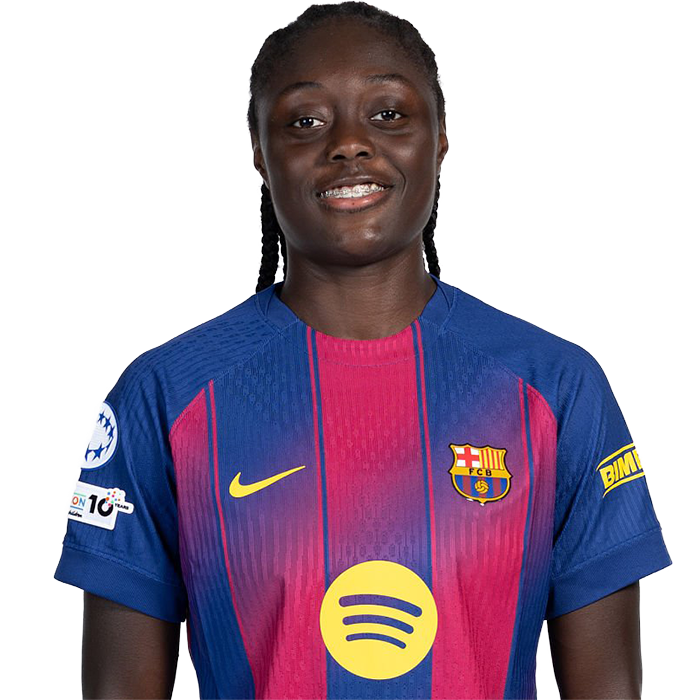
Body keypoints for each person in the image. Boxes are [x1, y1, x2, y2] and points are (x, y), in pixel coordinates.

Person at [54, 2, 672, 698]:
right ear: (259, 152)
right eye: (305, 121)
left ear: (439, 139)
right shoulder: (165, 394)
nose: (349, 143)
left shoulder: (557, 388)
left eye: (388, 113)